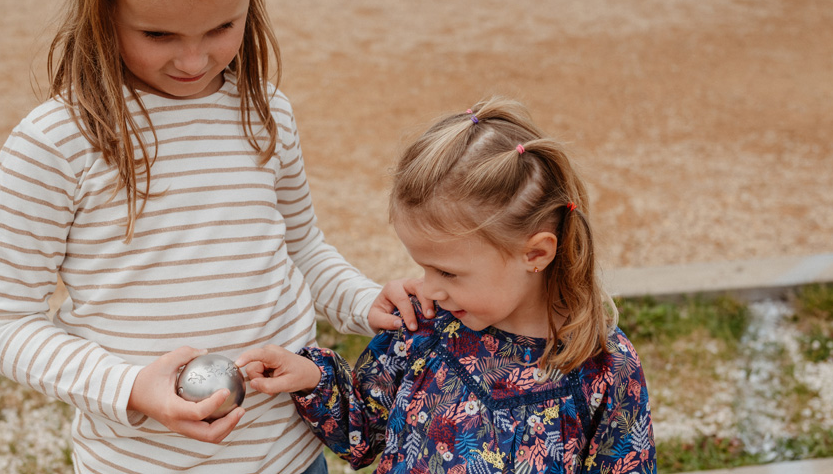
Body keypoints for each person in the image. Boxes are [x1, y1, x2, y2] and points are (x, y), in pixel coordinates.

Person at [0, 0, 418, 473]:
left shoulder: (266, 113)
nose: (193, 61)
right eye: (157, 35)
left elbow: (301, 249)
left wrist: (366, 303)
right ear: (102, 6)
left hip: (290, 457)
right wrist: (129, 387)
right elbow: (0, 322)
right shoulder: (55, 142)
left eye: (222, 27)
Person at [238, 97, 656, 474]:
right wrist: (311, 378)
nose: (431, 289)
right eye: (424, 268)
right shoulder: (423, 327)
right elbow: (363, 433)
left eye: (449, 273)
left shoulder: (605, 367)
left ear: (535, 254)